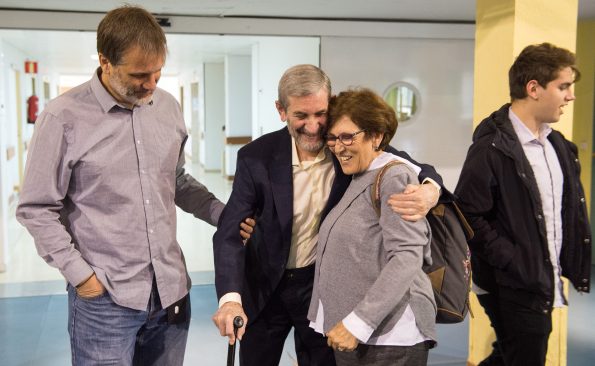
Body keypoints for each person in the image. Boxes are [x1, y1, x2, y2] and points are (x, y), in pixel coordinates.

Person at [15, 5, 251, 365]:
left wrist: (225, 214)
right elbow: (36, 208)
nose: (151, 84)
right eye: (140, 74)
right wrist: (81, 277)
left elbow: (175, 181)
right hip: (105, 302)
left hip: (171, 294)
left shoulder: (167, 107)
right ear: (105, 61)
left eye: (157, 72)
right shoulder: (62, 117)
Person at [212, 64, 444, 366]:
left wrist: (432, 189)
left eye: (320, 113)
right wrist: (230, 299)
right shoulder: (256, 157)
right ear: (281, 111)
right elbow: (229, 234)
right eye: (301, 115)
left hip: (321, 290)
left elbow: (410, 166)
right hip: (265, 288)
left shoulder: (346, 147)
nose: (313, 126)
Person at [454, 43, 591, 366]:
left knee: (510, 354)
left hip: (543, 277)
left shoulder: (558, 146)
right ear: (533, 88)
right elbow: (467, 213)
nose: (570, 96)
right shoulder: (490, 148)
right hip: (513, 281)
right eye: (563, 87)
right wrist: (512, 259)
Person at [308, 88, 436, 366]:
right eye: (332, 138)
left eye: (347, 136)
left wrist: (358, 323)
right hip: (361, 336)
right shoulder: (361, 174)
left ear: (376, 136)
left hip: (388, 340)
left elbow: (406, 258)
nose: (338, 147)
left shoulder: (393, 177)